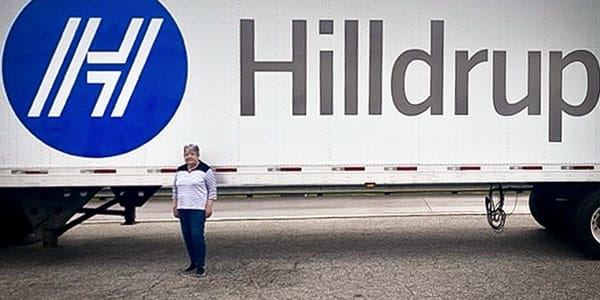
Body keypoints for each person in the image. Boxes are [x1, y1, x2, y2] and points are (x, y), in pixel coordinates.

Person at [172, 144, 217, 277]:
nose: (189, 157)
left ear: (197, 155)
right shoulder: (180, 170)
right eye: (186, 154)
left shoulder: (205, 170)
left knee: (197, 236)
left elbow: (212, 190)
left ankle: (201, 265)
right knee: (187, 237)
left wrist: (209, 206)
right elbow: (175, 189)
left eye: (192, 154)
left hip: (197, 209)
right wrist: (175, 205)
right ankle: (193, 262)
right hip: (183, 207)